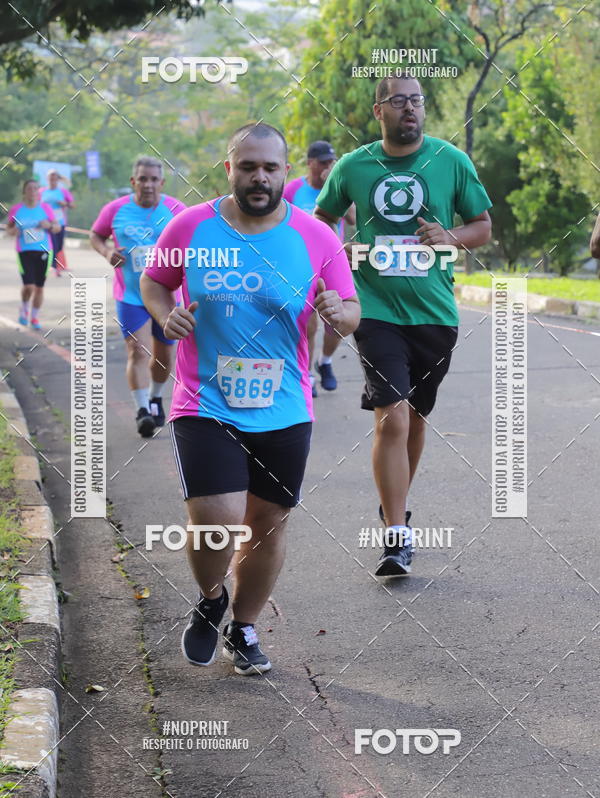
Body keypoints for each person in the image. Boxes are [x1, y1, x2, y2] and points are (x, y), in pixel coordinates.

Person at [141, 123, 359, 675]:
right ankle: (212, 599)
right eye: (248, 166)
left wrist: (341, 316)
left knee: (267, 525)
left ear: (286, 172)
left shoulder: (316, 237)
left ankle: (242, 626)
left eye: (270, 167)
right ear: (229, 170)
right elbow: (154, 280)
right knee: (217, 519)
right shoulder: (191, 225)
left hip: (285, 407)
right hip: (204, 401)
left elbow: (353, 310)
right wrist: (165, 313)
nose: (259, 177)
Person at [315, 74, 492, 577]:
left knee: (414, 418)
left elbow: (482, 227)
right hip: (374, 311)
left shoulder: (451, 161)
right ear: (379, 111)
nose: (410, 108)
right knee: (390, 415)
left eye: (417, 100)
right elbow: (320, 220)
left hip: (434, 313)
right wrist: (337, 255)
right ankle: (396, 534)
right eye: (398, 101)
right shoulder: (354, 166)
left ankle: (396, 505)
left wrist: (450, 236)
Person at [90, 156, 186, 437]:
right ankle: (143, 410)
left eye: (154, 179)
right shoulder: (115, 209)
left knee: (165, 355)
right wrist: (107, 252)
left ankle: (156, 397)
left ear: (162, 183)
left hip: (167, 296)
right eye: (142, 179)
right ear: (133, 181)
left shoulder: (176, 209)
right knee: (137, 349)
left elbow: (193, 240)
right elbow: (95, 236)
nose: (148, 185)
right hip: (131, 295)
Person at [284, 140, 356, 396]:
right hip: (300, 262)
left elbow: (353, 218)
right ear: (310, 163)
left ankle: (325, 361)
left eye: (331, 162)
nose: (327, 166)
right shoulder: (293, 189)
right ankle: (308, 373)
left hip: (333, 260)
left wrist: (332, 187)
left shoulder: (337, 187)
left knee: (337, 317)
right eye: (323, 162)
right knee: (310, 322)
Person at [6, 179, 60, 330]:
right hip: (24, 251)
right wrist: (13, 232)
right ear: (24, 192)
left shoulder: (46, 208)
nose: (33, 191)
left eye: (36, 189)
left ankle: (34, 317)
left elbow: (57, 228)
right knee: (28, 286)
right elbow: (8, 229)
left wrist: (49, 225)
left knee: (39, 287)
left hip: (44, 251)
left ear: (38, 192)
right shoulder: (17, 209)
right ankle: (24, 308)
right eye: (29, 188)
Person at [40, 170, 74, 274]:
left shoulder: (63, 192)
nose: (52, 180)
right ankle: (53, 266)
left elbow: (72, 205)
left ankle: (55, 265)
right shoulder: (41, 192)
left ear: (57, 180)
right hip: (47, 223)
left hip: (60, 222)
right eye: (50, 178)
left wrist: (65, 204)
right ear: (47, 179)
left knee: (59, 246)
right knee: (52, 244)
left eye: (54, 178)